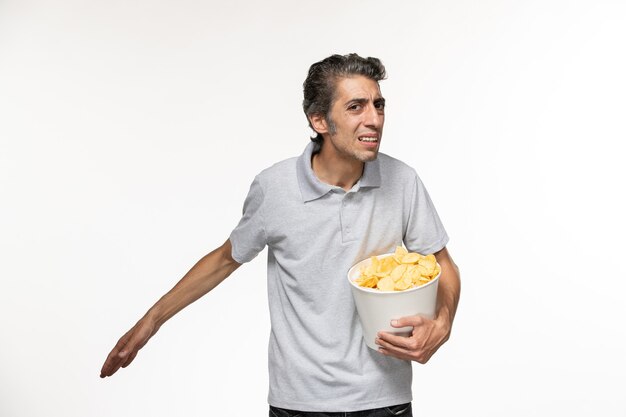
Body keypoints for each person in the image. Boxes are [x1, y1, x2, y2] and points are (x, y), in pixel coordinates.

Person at [100, 53, 461, 417]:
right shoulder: (275, 188)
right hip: (298, 404)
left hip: (384, 400)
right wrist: (150, 322)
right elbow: (226, 258)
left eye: (378, 105)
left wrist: (442, 325)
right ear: (319, 120)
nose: (374, 119)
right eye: (356, 107)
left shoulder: (403, 182)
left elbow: (442, 263)